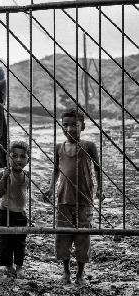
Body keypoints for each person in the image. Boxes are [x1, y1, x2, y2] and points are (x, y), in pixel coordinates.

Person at [44, 108, 103, 285]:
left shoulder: (88, 146)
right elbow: (55, 171)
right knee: (62, 237)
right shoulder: (59, 148)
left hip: (84, 201)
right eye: (65, 125)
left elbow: (98, 169)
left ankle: (80, 274)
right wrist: (50, 189)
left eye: (74, 125)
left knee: (83, 238)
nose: (69, 129)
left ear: (82, 126)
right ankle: (66, 273)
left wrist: (100, 188)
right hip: (63, 199)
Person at [0, 140, 30, 278]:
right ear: (8, 158)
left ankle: (19, 266)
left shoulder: (27, 175)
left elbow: (24, 194)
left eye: (23, 156)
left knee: (20, 241)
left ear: (28, 160)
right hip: (6, 213)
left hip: (21, 213)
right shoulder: (5, 174)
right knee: (5, 240)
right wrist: (5, 177)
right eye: (14, 156)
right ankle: (8, 265)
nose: (18, 159)